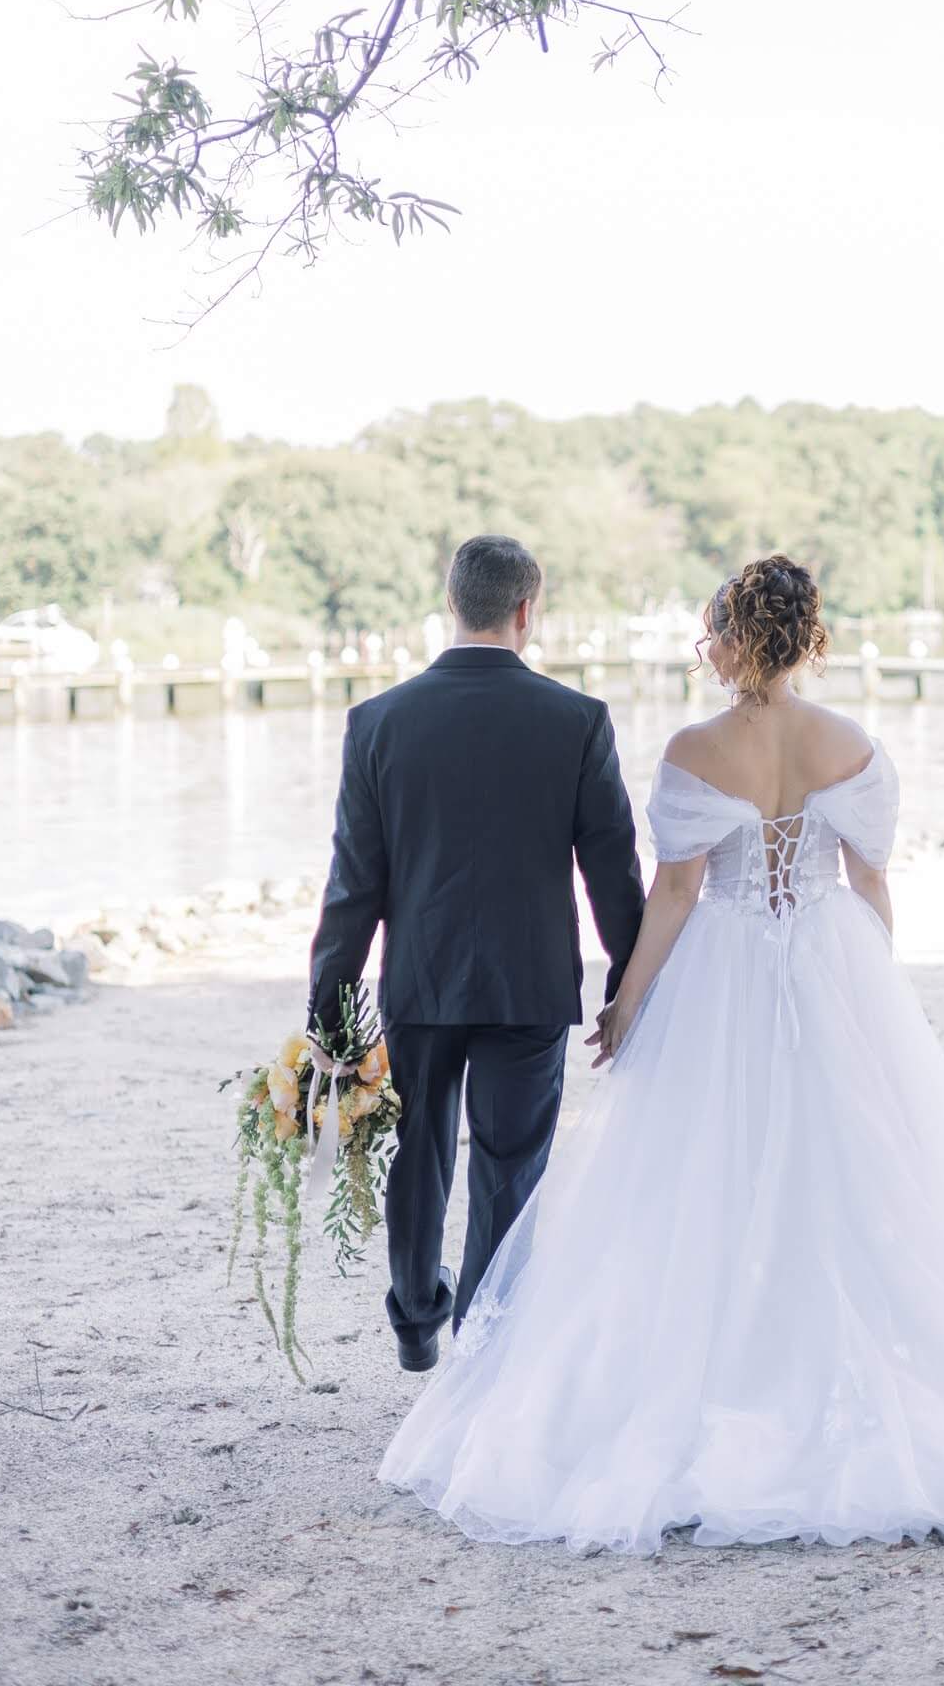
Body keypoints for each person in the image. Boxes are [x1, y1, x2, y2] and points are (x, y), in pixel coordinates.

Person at [378, 551, 944, 1552]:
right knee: (853, 1177)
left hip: (722, 974)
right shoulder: (853, 743)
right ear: (805, 637)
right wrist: (876, 992)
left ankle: (725, 1367)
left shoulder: (698, 747)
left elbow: (680, 893)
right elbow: (869, 881)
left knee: (700, 1176)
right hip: (832, 965)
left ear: (733, 639)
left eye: (711, 630)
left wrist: (627, 1001)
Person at [308, 534, 645, 1370]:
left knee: (417, 1147)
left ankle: (416, 1316)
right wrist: (633, 982)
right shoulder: (576, 720)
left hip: (419, 982)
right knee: (509, 1162)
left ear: (451, 600)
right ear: (526, 610)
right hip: (528, 984)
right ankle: (487, 1340)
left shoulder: (376, 722)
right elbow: (611, 869)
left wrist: (329, 1010)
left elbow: (354, 885)